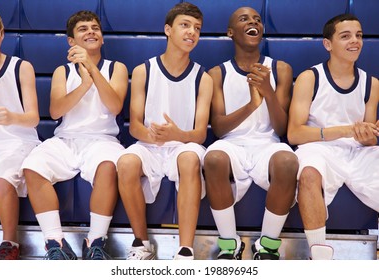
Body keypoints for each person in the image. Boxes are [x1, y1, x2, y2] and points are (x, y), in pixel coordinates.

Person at [21, 10, 128, 260]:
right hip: (66, 139)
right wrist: (83, 84)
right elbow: (56, 110)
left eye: (95, 28)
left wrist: (92, 68)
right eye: (83, 29)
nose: (91, 31)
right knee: (32, 167)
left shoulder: (117, 68)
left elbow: (115, 106)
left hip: (103, 140)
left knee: (109, 166)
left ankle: (95, 241)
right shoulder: (63, 71)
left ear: (102, 39)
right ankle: (55, 243)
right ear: (71, 41)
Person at [116, 2, 213, 260]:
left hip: (183, 145)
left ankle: (185, 249)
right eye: (185, 25)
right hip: (150, 144)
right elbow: (134, 125)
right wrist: (153, 136)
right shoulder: (142, 71)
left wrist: (176, 135)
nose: (192, 32)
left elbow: (200, 133)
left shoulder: (203, 78)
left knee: (190, 158)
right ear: (167, 29)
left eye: (197, 28)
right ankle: (141, 243)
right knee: (125, 162)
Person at [202, 7, 298, 260]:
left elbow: (282, 129)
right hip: (232, 143)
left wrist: (268, 92)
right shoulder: (217, 73)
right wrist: (252, 106)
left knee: (288, 162)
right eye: (244, 19)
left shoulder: (281, 70)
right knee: (212, 159)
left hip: (268, 142)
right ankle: (229, 244)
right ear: (231, 32)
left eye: (257, 19)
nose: (253, 22)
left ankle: (267, 246)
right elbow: (220, 129)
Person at [287, 14, 379, 260]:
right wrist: (345, 130)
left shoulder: (372, 84)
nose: (355, 41)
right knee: (308, 174)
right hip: (318, 147)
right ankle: (319, 258)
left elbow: (368, 138)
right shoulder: (310, 78)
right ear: (328, 44)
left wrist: (368, 135)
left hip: (357, 151)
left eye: (359, 36)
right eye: (346, 36)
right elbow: (294, 133)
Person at [0, 7, 41, 260]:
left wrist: (11, 117)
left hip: (17, 140)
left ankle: (10, 244)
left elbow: (33, 117)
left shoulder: (21, 67)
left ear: (2, 32)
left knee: (1, 178)